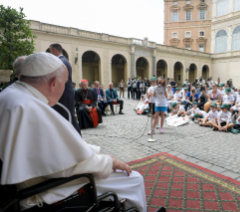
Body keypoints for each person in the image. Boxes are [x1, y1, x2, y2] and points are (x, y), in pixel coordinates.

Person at [0, 52, 146, 211]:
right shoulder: (30, 108)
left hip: (30, 182)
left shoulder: (12, 95)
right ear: (54, 84)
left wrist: (95, 153)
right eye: (66, 84)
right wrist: (109, 162)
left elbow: (58, 150)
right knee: (134, 179)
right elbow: (67, 166)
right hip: (43, 190)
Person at [49, 43, 81, 135]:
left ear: (54, 49)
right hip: (66, 92)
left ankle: (77, 138)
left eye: (50, 51)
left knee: (68, 116)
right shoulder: (64, 60)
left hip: (64, 93)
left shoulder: (61, 62)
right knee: (67, 116)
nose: (50, 53)